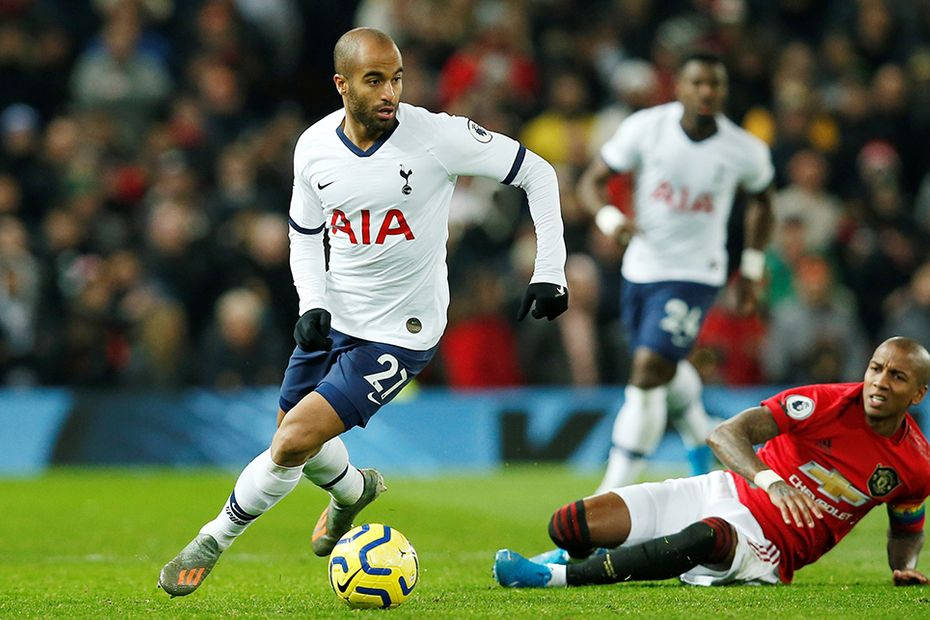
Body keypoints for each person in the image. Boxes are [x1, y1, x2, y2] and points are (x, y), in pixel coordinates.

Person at [158, 27, 569, 597]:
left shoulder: (436, 137)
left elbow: (538, 172)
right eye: (374, 80)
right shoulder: (313, 148)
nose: (389, 93)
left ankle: (210, 540)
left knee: (291, 441)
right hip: (335, 318)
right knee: (294, 437)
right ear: (341, 84)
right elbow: (304, 232)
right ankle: (352, 491)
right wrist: (313, 303)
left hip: (402, 330)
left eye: (396, 78)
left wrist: (550, 269)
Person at [493, 337, 930, 588]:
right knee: (569, 524)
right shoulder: (823, 402)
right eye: (876, 368)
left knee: (706, 537)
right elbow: (725, 434)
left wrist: (904, 567)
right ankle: (564, 555)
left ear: (917, 395)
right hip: (723, 490)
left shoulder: (915, 464)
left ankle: (553, 580)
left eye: (897, 376)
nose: (879, 382)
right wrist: (771, 481)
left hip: (770, 547)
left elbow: (907, 527)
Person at [576, 51, 775, 490]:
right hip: (642, 268)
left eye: (715, 84)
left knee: (648, 370)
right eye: (698, 83)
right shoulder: (645, 128)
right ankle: (704, 433)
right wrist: (612, 221)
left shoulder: (743, 148)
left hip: (697, 273)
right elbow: (590, 181)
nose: (706, 92)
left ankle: (610, 492)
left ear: (723, 91)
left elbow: (763, 202)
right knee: (665, 367)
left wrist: (751, 268)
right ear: (679, 87)